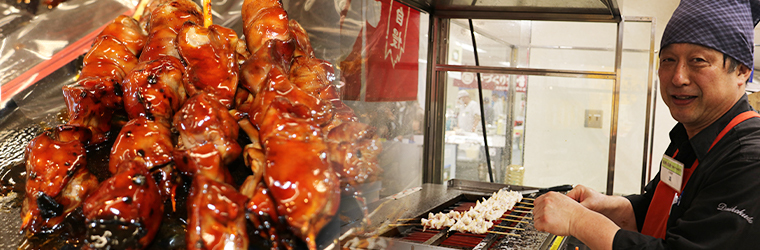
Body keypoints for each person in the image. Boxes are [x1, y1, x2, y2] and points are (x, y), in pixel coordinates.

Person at [532, 0, 760, 249]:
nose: (678, 77)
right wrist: (608, 205)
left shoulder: (749, 159)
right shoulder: (687, 137)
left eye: (697, 60)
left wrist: (578, 220)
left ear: (741, 70)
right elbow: (662, 208)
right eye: (668, 60)